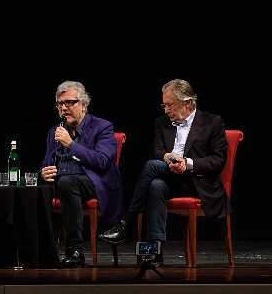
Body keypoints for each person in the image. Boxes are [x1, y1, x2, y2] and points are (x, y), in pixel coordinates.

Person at [99, 79, 232, 265]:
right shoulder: (162, 123)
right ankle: (154, 252)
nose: (166, 110)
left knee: (152, 166)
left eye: (170, 105)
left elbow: (218, 161)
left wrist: (187, 163)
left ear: (187, 102)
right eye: (164, 105)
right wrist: (169, 158)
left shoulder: (212, 122)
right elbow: (156, 151)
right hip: (171, 177)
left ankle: (127, 223)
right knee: (156, 185)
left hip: (198, 183)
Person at [40, 81, 124, 268]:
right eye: (60, 104)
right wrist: (43, 173)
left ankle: (75, 251)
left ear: (84, 105)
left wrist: (70, 144)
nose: (64, 108)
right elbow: (46, 162)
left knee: (67, 183)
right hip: (60, 182)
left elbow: (102, 161)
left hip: (93, 181)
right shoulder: (55, 131)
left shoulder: (103, 127)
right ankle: (35, 252)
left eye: (69, 103)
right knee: (29, 188)